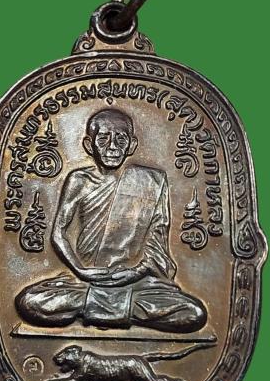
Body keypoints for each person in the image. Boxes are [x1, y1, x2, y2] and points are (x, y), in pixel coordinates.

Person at [15, 108, 207, 333]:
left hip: (135, 284)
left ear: (132, 145)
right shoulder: (79, 180)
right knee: (29, 302)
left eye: (121, 139)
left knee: (194, 313)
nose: (113, 147)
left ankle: (95, 309)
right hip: (84, 282)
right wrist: (80, 270)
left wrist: (136, 272)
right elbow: (59, 233)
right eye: (104, 139)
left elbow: (157, 242)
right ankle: (122, 311)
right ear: (89, 145)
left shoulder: (153, 181)